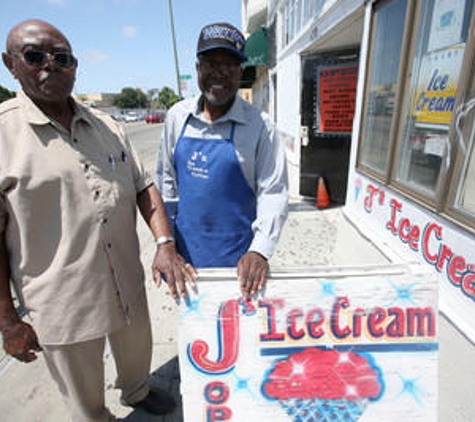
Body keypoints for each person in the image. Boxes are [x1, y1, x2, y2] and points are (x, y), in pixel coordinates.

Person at [0, 19, 196, 422]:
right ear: (10, 64)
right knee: (83, 395)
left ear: (75, 66)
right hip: (61, 303)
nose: (50, 66)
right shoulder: (3, 135)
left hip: (125, 281)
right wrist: (8, 321)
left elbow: (144, 186)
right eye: (35, 56)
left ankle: (137, 390)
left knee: (137, 350)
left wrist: (164, 244)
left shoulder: (107, 126)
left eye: (62, 58)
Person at [157, 22, 288, 298]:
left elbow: (273, 193)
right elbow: (166, 185)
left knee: (241, 338)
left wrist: (259, 251)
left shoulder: (260, 126)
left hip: (241, 270)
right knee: (196, 339)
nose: (220, 73)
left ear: (240, 72)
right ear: (198, 69)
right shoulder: (177, 117)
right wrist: (165, 244)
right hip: (187, 267)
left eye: (229, 65)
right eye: (211, 63)